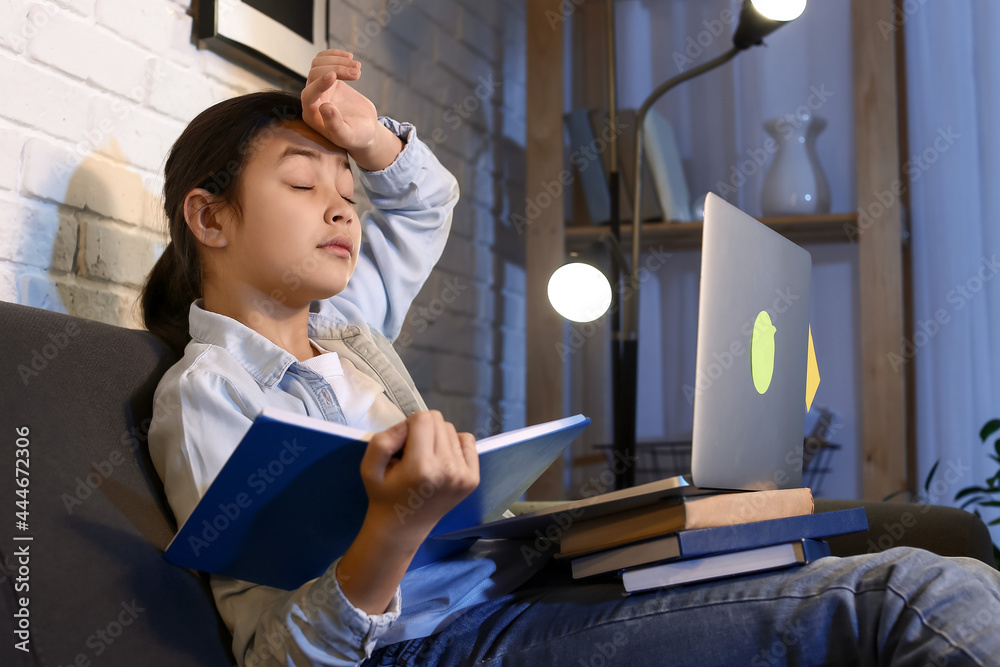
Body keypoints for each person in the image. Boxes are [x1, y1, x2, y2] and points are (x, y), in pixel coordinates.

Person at [143, 49, 1000, 667]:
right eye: (303, 185)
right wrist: (394, 526)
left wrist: (367, 141)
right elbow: (278, 656)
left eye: (346, 192)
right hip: (432, 645)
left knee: (927, 562)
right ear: (209, 218)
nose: (341, 208)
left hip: (509, 588)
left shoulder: (343, 324)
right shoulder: (211, 390)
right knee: (917, 599)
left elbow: (423, 205)